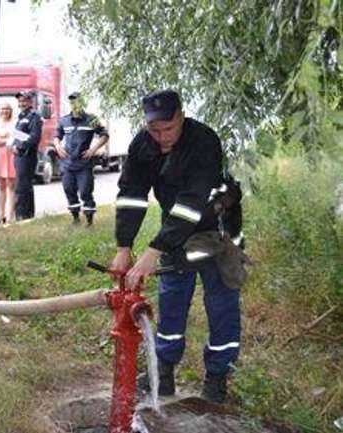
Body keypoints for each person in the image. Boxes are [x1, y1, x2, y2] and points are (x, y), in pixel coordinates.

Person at [110, 89, 244, 404]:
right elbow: (131, 194)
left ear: (181, 116)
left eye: (169, 129)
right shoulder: (143, 145)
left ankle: (217, 376)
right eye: (154, 130)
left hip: (216, 229)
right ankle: (165, 370)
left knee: (221, 304)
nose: (162, 137)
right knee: (172, 297)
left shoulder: (203, 141)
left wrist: (153, 251)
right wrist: (124, 246)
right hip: (177, 230)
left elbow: (191, 204)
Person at [54, 92, 109, 226]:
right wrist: (57, 146)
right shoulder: (64, 120)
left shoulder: (92, 119)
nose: (75, 105)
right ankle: (75, 219)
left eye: (78, 102)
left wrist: (93, 149)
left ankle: (89, 221)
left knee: (85, 192)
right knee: (69, 190)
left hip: (84, 164)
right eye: (72, 102)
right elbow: (57, 136)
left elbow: (105, 135)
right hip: (67, 164)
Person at [12, 91, 42, 220]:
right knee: (25, 185)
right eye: (20, 101)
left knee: (22, 186)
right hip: (19, 156)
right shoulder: (21, 116)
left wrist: (19, 147)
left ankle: (21, 215)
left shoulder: (34, 116)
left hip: (27, 155)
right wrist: (13, 144)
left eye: (24, 101)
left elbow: (34, 137)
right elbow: (17, 135)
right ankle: (28, 214)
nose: (21, 103)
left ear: (30, 101)